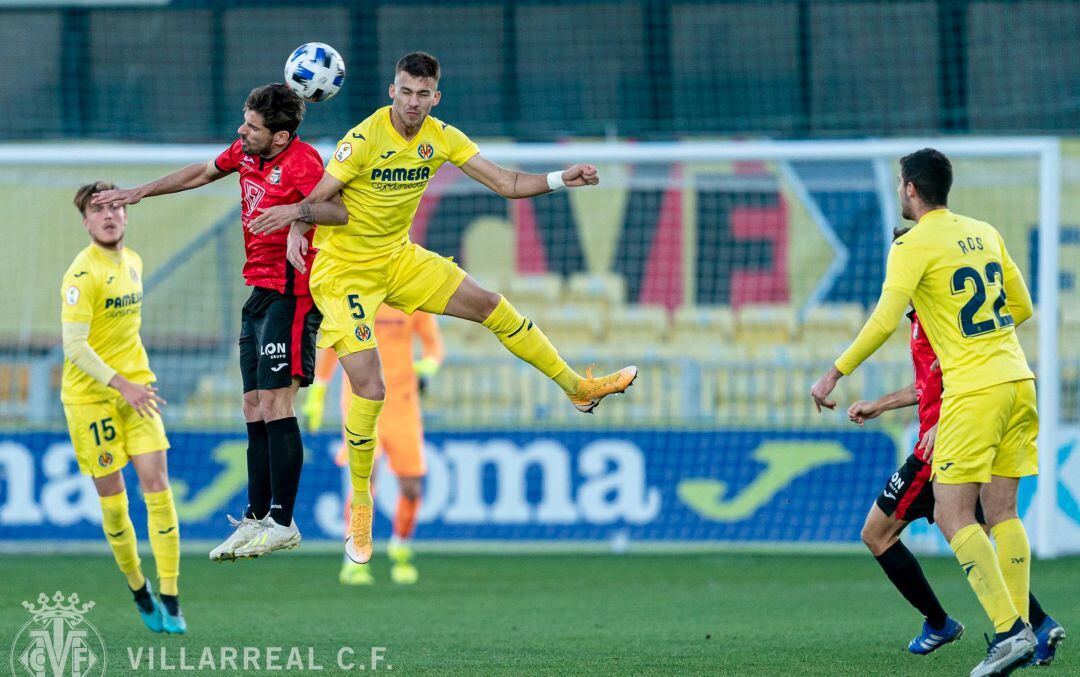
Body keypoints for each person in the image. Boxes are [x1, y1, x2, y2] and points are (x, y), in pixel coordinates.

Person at [248, 52, 637, 567]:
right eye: (405, 92)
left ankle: (578, 389)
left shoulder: (442, 137)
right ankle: (360, 506)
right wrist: (299, 223)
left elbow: (504, 183)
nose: (413, 102)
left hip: (398, 258)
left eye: (422, 94)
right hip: (343, 273)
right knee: (371, 387)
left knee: (492, 305)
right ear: (392, 91)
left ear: (436, 97)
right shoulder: (362, 140)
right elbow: (323, 199)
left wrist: (562, 178)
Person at [811, 148, 1041, 676]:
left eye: (899, 184)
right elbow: (1022, 306)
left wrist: (835, 374)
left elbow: (885, 318)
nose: (899, 191)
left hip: (974, 390)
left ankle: (1010, 631)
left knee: (951, 513)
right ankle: (1023, 629)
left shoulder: (912, 244)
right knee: (1002, 512)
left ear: (911, 188)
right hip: (1018, 380)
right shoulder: (983, 231)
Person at [92, 84, 332, 560]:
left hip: (293, 292)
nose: (241, 131)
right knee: (251, 405)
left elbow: (339, 208)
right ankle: (257, 517)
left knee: (277, 402)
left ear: (281, 137)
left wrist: (296, 216)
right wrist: (141, 192)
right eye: (244, 121)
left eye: (252, 126)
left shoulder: (305, 163)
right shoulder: (246, 152)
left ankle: (283, 522)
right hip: (259, 292)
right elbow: (201, 173)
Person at [848, 299, 1064, 664]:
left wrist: (940, 423)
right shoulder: (925, 315)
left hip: (941, 447)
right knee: (978, 534)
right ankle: (1037, 624)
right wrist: (882, 404)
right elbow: (930, 384)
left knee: (877, 533)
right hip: (963, 433)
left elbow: (963, 376)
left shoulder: (938, 316)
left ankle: (940, 623)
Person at [61, 181, 185, 633]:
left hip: (138, 390)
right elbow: (73, 345)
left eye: (115, 206)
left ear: (126, 214)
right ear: (86, 222)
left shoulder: (133, 262)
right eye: (99, 210)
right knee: (115, 504)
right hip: (91, 398)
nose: (109, 215)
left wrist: (133, 383)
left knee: (158, 485)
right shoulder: (81, 274)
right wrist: (119, 383)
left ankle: (170, 595)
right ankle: (138, 588)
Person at [304, 306, 444, 585]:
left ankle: (401, 546)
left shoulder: (412, 299)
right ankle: (354, 557)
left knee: (412, 487)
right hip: (361, 400)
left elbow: (433, 345)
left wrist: (427, 366)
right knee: (365, 479)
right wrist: (318, 389)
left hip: (402, 404)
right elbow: (335, 343)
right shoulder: (358, 296)